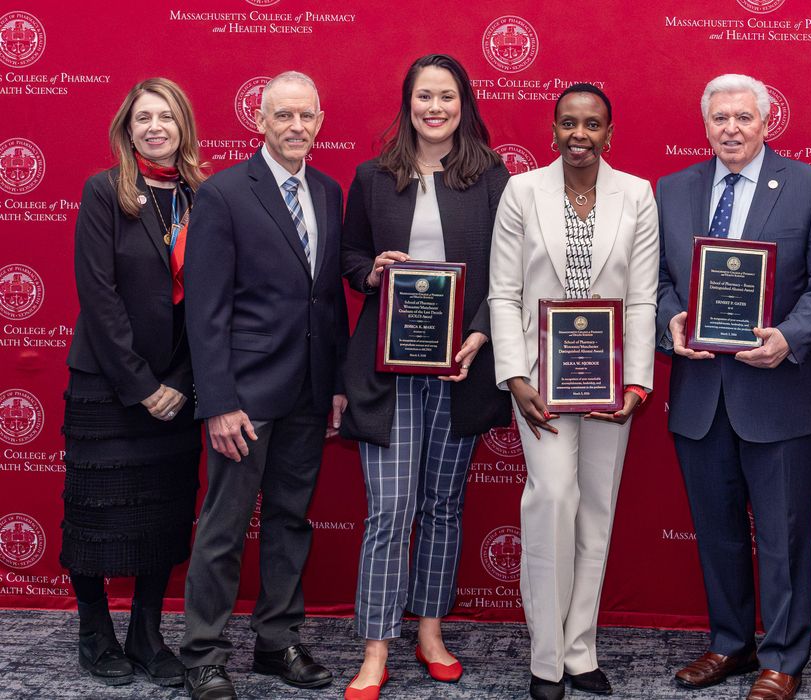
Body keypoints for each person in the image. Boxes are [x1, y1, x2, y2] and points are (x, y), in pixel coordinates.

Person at [657, 73, 811, 700]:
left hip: (778, 394)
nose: (732, 129)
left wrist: (790, 338)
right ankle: (730, 643)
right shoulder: (673, 189)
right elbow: (655, 279)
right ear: (705, 124)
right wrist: (671, 320)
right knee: (716, 531)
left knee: (784, 534)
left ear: (768, 122)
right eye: (720, 119)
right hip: (699, 394)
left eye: (744, 118)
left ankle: (784, 657)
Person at [338, 54, 512, 700]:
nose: (433, 108)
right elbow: (350, 256)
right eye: (422, 97)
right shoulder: (372, 176)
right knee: (389, 510)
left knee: (442, 508)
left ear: (463, 104)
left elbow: (508, 272)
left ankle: (431, 632)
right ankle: (376, 645)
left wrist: (480, 335)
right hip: (387, 371)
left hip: (461, 367)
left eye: (445, 97)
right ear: (406, 103)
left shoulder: (492, 176)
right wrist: (374, 273)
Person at [180, 71, 348, 700]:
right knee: (223, 526)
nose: (295, 127)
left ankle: (277, 642)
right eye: (283, 116)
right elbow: (205, 308)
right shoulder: (223, 193)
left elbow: (327, 300)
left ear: (320, 121)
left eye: (306, 116)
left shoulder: (329, 192)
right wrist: (218, 402)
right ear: (260, 120)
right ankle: (202, 652)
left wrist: (332, 384)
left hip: (307, 392)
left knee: (289, 521)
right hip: (244, 398)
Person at [488, 83, 658, 700]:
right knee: (553, 498)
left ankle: (581, 650)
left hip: (615, 386)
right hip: (539, 383)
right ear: (552, 129)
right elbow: (503, 293)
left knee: (596, 511)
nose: (579, 135)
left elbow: (641, 296)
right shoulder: (521, 191)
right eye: (568, 123)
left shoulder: (636, 194)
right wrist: (515, 375)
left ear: (609, 133)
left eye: (592, 125)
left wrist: (637, 380)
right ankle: (545, 657)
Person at [62, 77, 207, 688]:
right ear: (128, 128)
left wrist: (177, 379)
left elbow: (212, 301)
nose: (155, 127)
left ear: (184, 127)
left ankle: (146, 634)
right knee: (97, 513)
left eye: (166, 117)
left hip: (178, 386)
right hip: (109, 384)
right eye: (143, 117)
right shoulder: (105, 192)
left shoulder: (205, 197)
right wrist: (141, 383)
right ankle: (94, 631)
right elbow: (99, 296)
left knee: (163, 512)